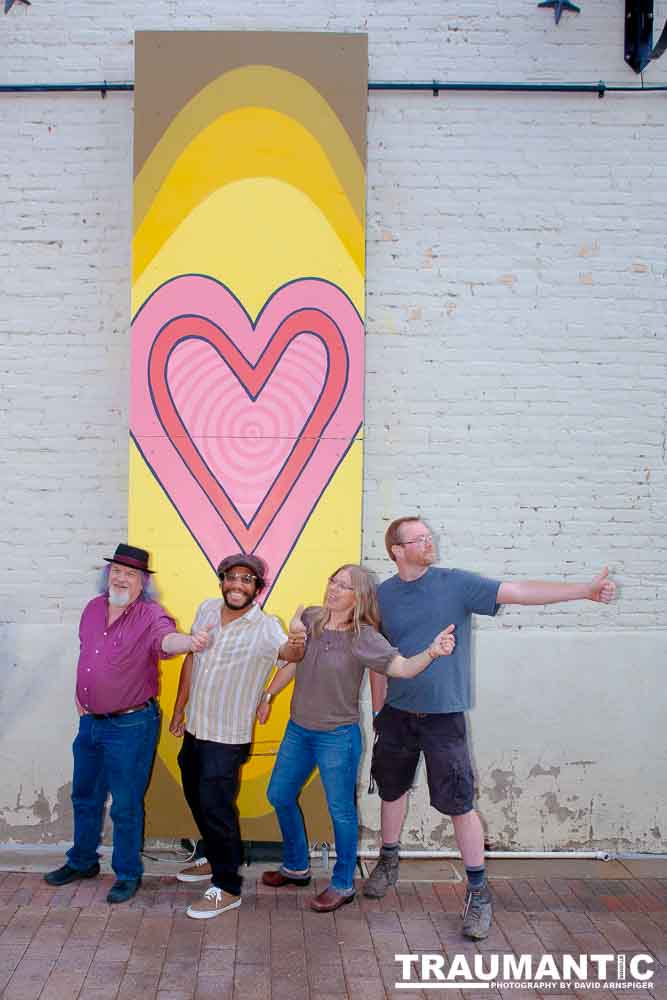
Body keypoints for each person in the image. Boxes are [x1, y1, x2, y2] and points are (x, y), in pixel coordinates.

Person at [365, 516, 617, 940]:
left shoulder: (456, 584)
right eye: (420, 538)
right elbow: (377, 658)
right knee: (392, 791)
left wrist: (584, 591)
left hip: (445, 718)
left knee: (461, 805)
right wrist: (378, 713)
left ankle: (478, 892)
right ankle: (388, 860)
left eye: (431, 535)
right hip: (396, 716)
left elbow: (517, 591)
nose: (430, 541)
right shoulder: (380, 597)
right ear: (396, 550)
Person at [259, 564, 457, 913]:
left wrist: (432, 652)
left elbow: (402, 668)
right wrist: (268, 695)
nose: (333, 589)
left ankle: (342, 883)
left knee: (341, 811)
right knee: (279, 794)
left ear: (359, 597)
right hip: (298, 729)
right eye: (332, 581)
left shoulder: (364, 637)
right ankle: (296, 865)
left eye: (343, 586)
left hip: (336, 736)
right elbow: (292, 663)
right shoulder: (311, 619)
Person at [44, 543, 212, 904]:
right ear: (108, 575)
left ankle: (127, 873)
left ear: (143, 582)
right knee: (85, 796)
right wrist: (83, 696)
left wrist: (190, 643)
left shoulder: (151, 615)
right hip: (90, 723)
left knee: (125, 804)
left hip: (131, 725)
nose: (121, 578)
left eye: (130, 574)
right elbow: (88, 654)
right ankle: (83, 861)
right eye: (116, 571)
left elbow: (167, 640)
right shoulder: (92, 609)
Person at [168, 553, 305, 920]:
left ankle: (227, 887)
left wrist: (270, 690)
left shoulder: (267, 628)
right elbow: (192, 661)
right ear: (222, 580)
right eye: (232, 577)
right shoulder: (207, 610)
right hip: (195, 728)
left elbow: (292, 656)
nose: (238, 585)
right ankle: (214, 858)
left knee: (217, 810)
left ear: (258, 589)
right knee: (197, 799)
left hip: (227, 737)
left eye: (247, 580)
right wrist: (180, 708)